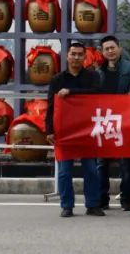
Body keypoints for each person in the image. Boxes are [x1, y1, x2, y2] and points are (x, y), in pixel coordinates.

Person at [47, 42, 103, 217]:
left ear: (85, 57)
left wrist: (70, 91)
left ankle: (93, 204)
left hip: (87, 129)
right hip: (65, 131)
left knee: (91, 169)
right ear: (67, 56)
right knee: (64, 171)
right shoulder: (57, 79)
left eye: (80, 54)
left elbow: (96, 94)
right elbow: (50, 106)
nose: (76, 57)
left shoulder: (93, 76)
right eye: (73, 54)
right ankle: (67, 205)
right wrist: (49, 130)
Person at [95, 35, 130, 211]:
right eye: (106, 49)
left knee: (126, 162)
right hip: (104, 120)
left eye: (113, 47)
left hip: (125, 120)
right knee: (101, 163)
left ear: (119, 48)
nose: (110, 51)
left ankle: (126, 199)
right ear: (102, 52)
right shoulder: (98, 71)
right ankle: (102, 198)